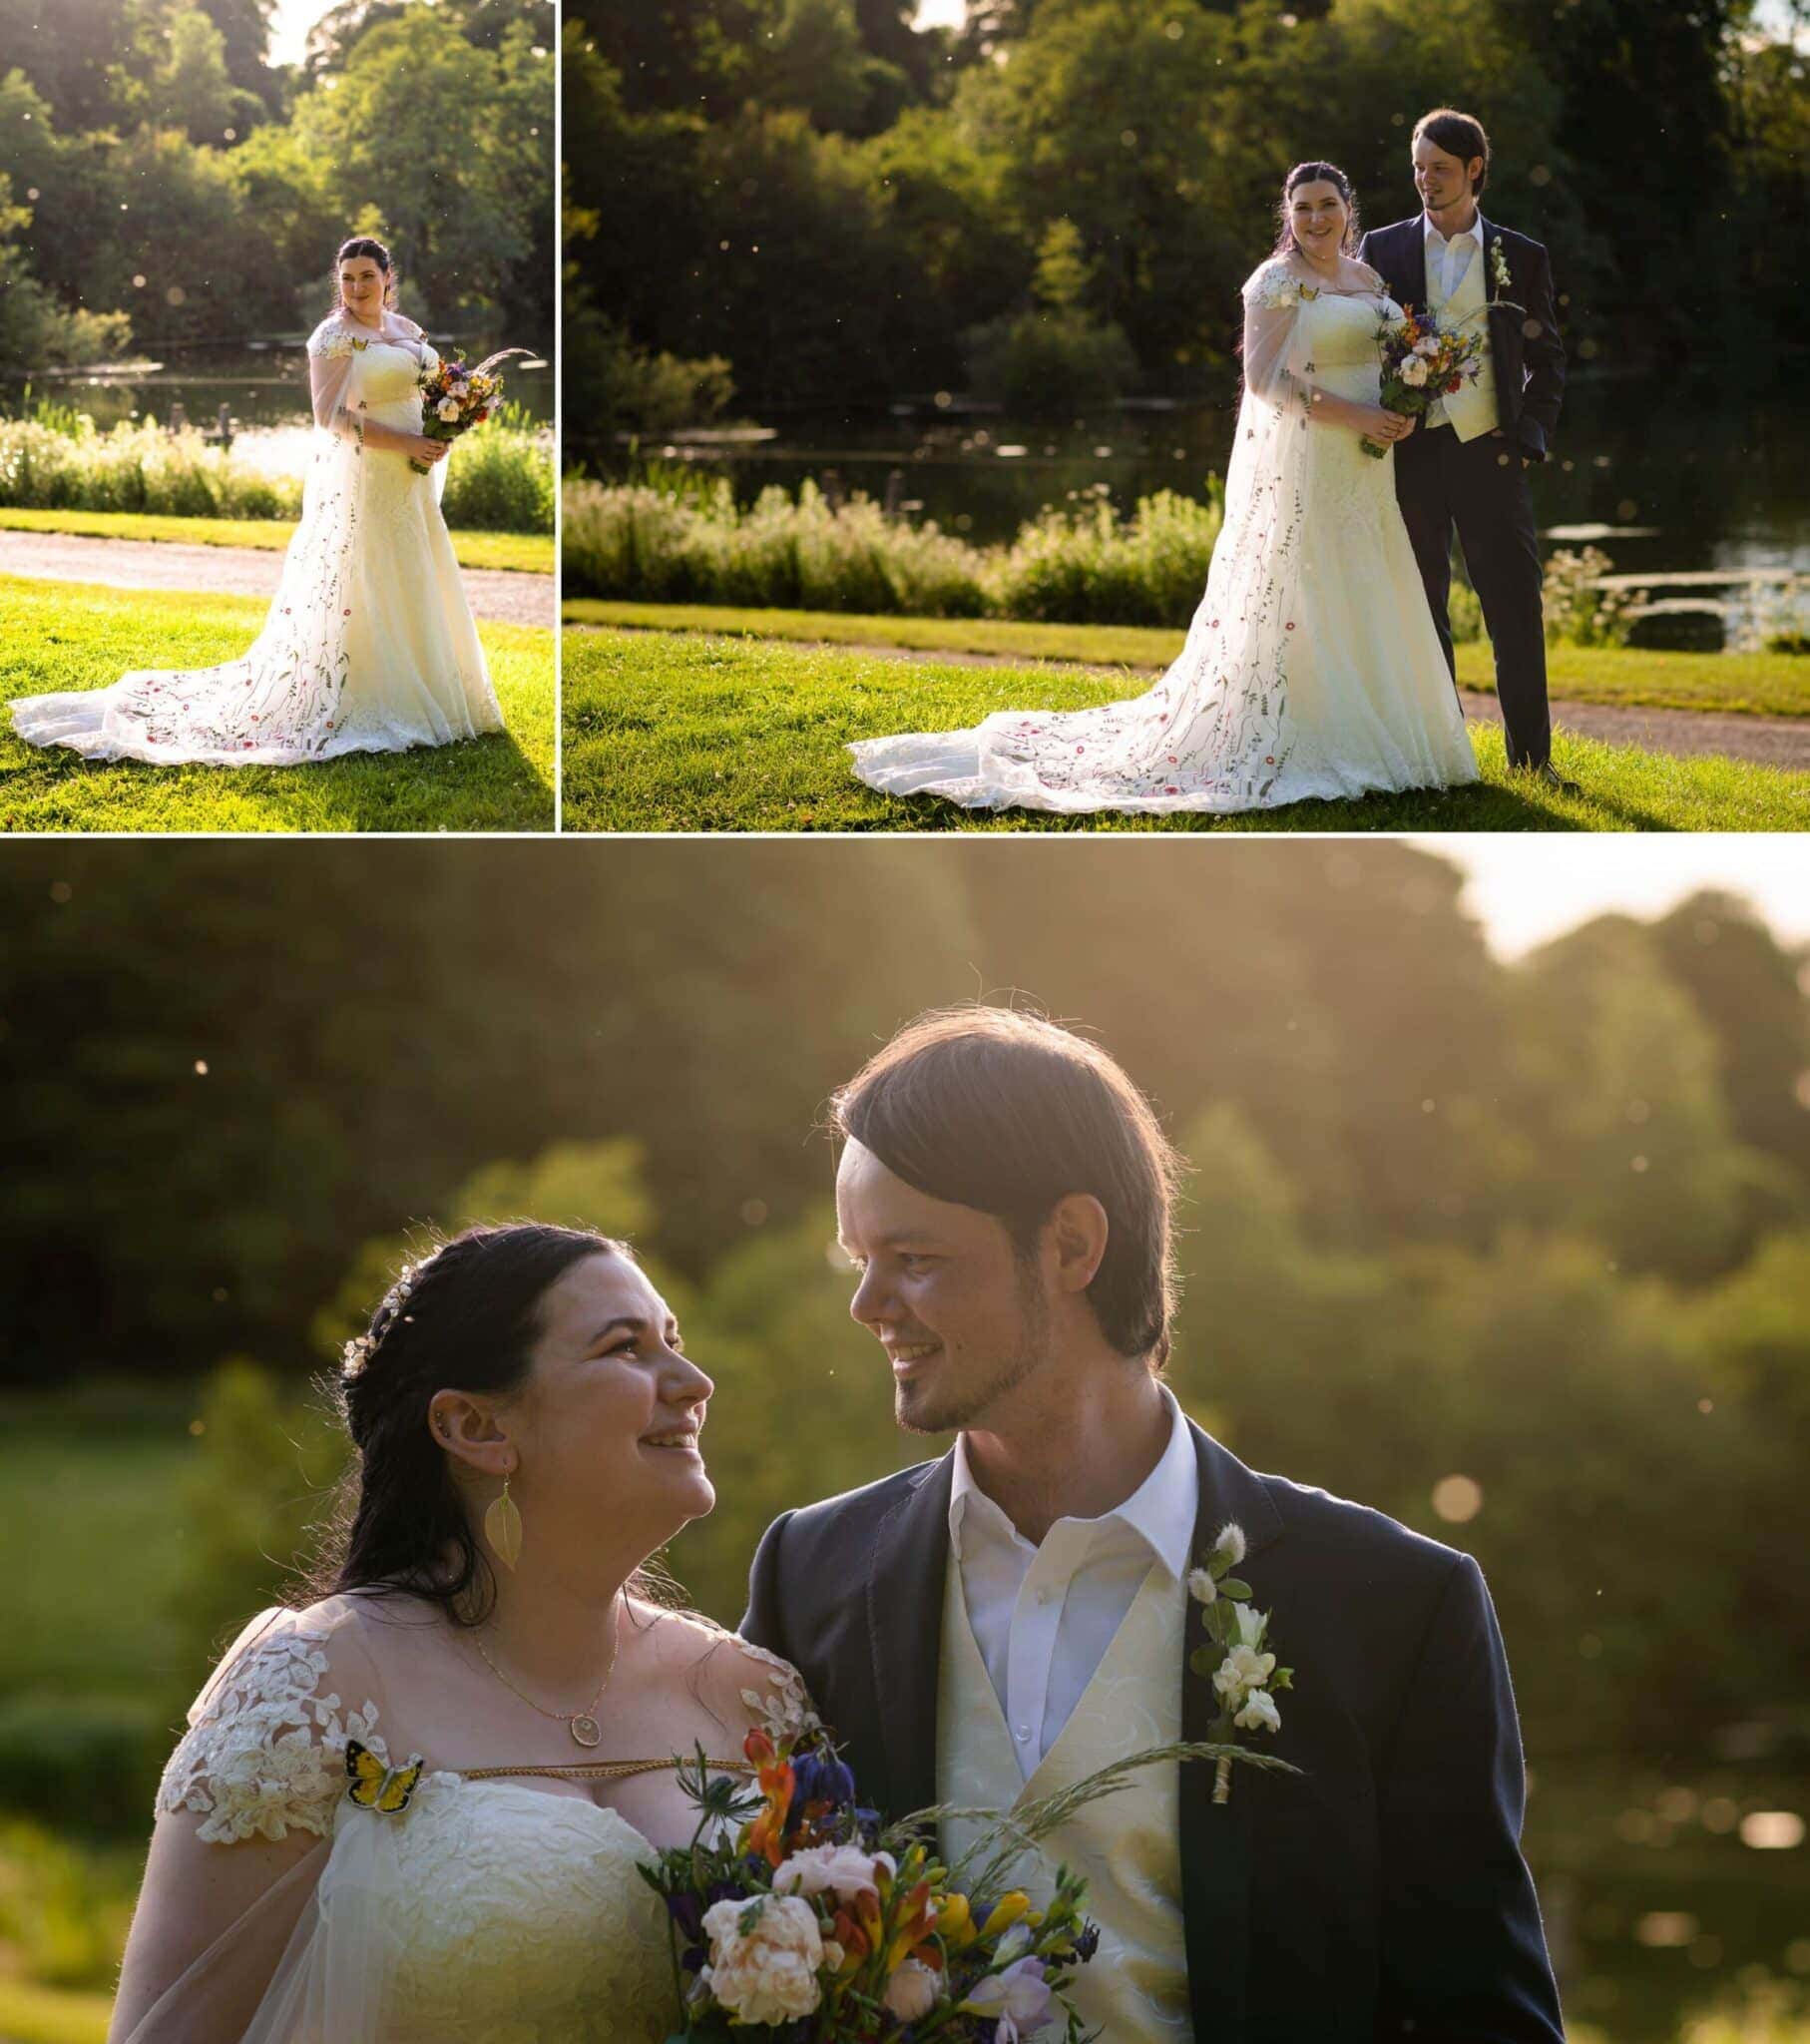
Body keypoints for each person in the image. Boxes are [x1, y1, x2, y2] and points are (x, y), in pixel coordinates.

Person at [741, 1006, 1566, 2041]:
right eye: (854, 1256)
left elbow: (1478, 2016)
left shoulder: (1395, 1606)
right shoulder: (810, 1572)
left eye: (912, 1255)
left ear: (1072, 1243)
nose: (866, 1302)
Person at [109, 1223, 801, 2044]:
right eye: (626, 1349)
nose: (693, 1382)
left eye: (674, 1343)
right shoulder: (317, 1687)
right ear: (477, 1428)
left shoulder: (747, 1692)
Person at [844, 165, 1479, 816]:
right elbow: (1265, 382)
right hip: (1314, 453)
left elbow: (1387, 357)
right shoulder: (1275, 283)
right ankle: (1309, 728)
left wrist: (1405, 395)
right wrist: (1359, 416)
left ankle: (1385, 732)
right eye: (1302, 208)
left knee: (1364, 578)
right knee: (1306, 585)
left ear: (1350, 209)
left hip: (1368, 463)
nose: (1315, 219)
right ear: (1286, 216)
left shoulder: (1369, 281)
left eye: (1327, 205)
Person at [12, 238, 504, 766]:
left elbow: (428, 390)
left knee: (414, 570)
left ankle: (435, 689)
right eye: (346, 278)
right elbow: (331, 418)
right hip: (369, 474)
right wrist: (406, 441)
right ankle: (369, 692)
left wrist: (446, 421)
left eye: (366, 276)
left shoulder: (408, 332)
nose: (356, 288)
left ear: (388, 277)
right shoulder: (333, 337)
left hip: (413, 477)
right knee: (368, 574)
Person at [1359, 109, 1572, 790]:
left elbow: (1549, 359)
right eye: (1418, 167)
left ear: (1474, 169)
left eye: (1440, 169)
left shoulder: (1522, 255)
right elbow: (1361, 346)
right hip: (1411, 455)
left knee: (1514, 610)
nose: (1426, 180)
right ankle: (1441, 762)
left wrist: (1529, 434)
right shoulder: (1381, 248)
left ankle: (1532, 764)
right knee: (1421, 610)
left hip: (1492, 454)